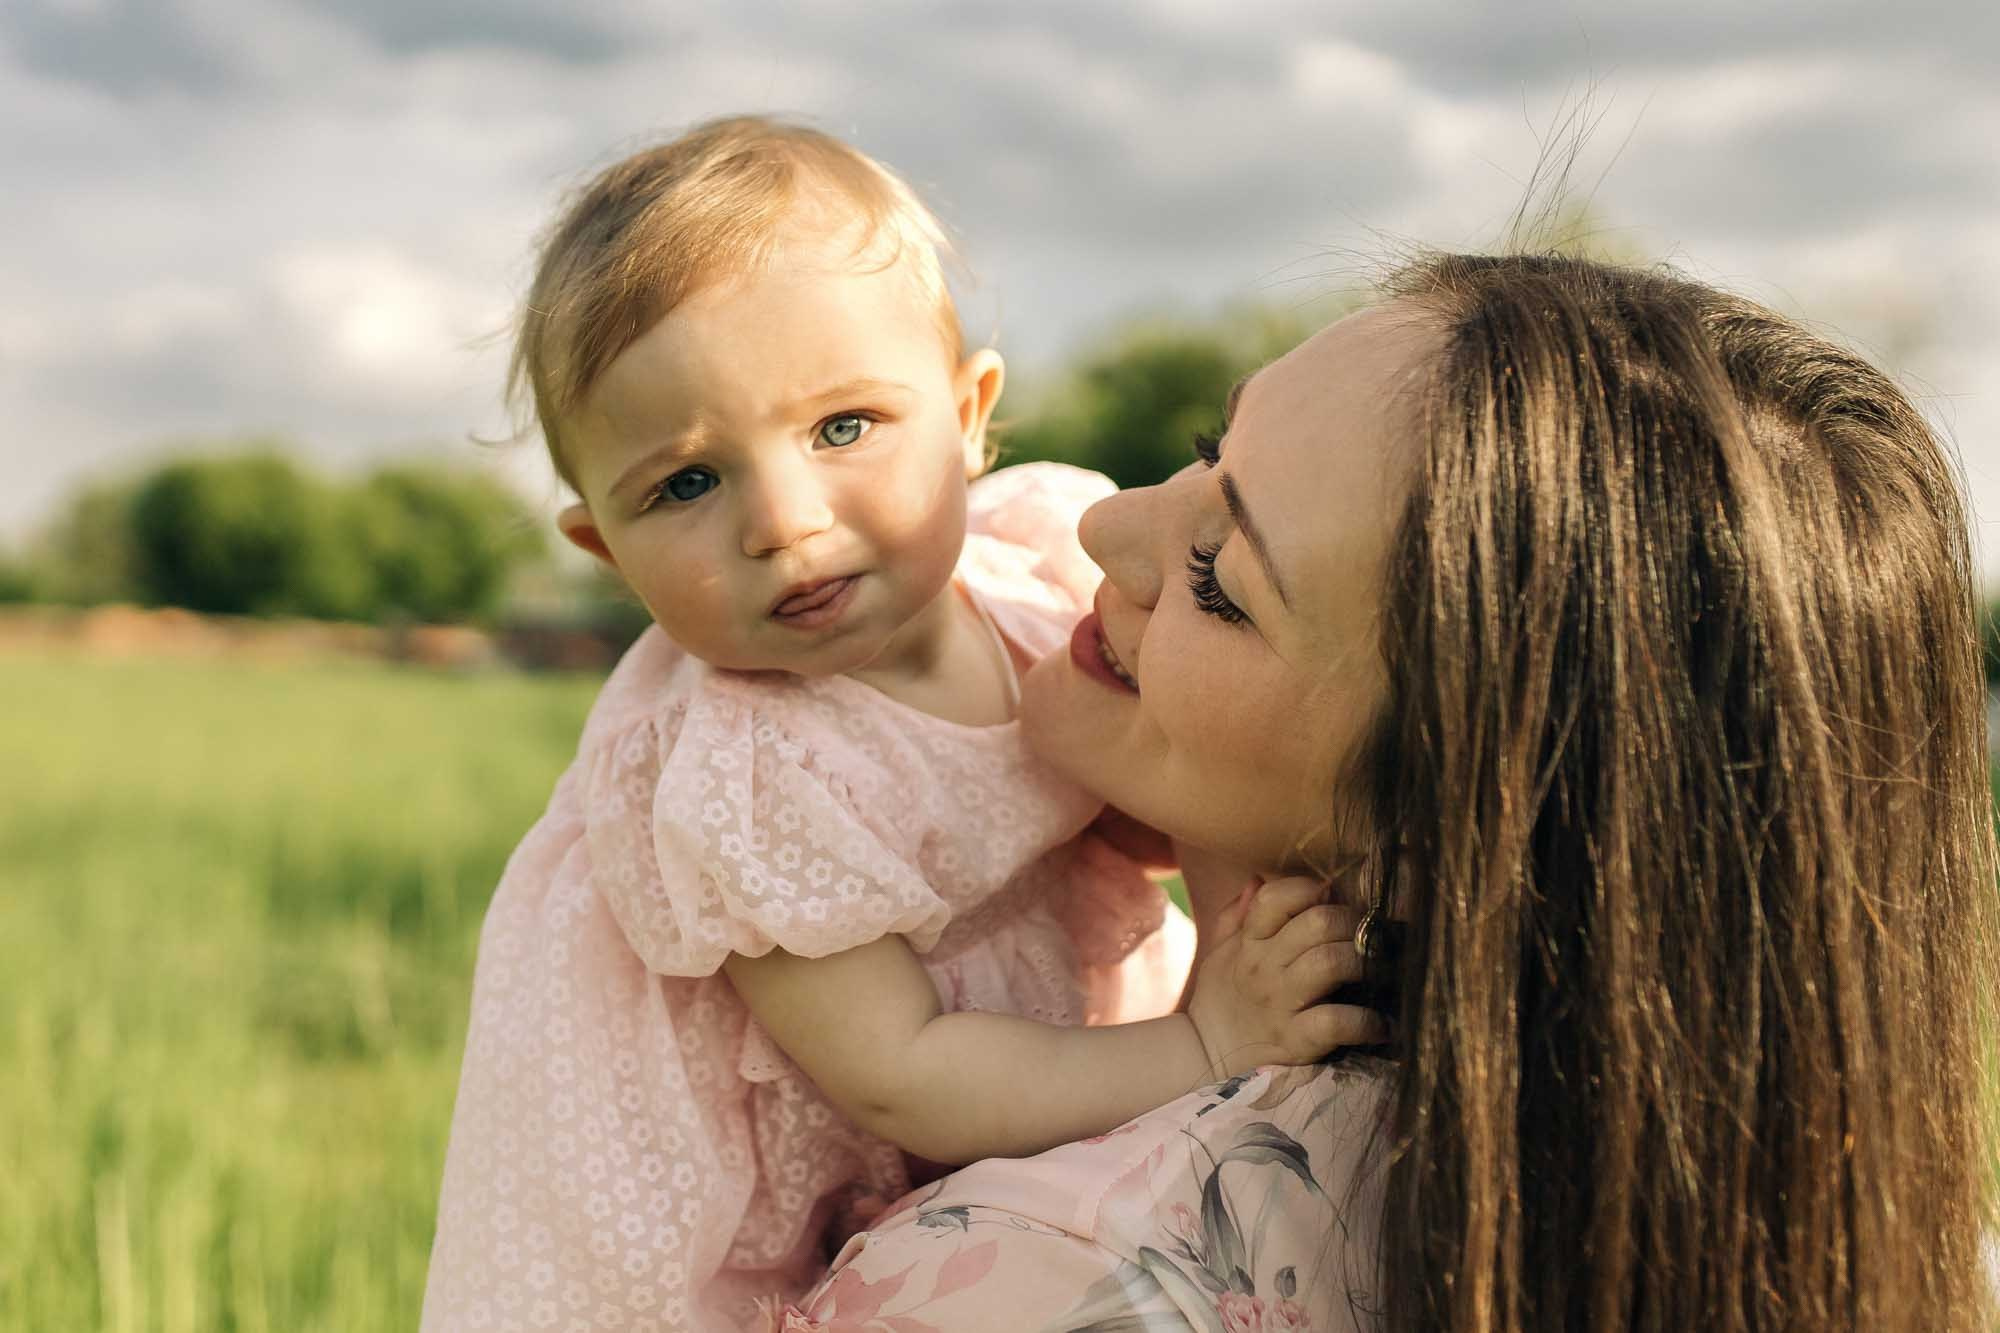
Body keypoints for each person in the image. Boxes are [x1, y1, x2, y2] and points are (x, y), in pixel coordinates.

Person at [772, 253, 1998, 1331]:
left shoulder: (1034, 1280)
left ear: (1447, 835)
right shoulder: (1902, 1250)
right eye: (1210, 451)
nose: (1105, 527)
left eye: (1217, 577)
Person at [419, 117, 1381, 1333]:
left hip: (1036, 1101)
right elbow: (903, 1076)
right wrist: (1203, 1041)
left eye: (841, 428)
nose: (783, 520)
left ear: (969, 414)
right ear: (607, 550)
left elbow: (1145, 810)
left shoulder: (1030, 572)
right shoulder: (749, 767)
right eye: (687, 483)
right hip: (828, 1192)